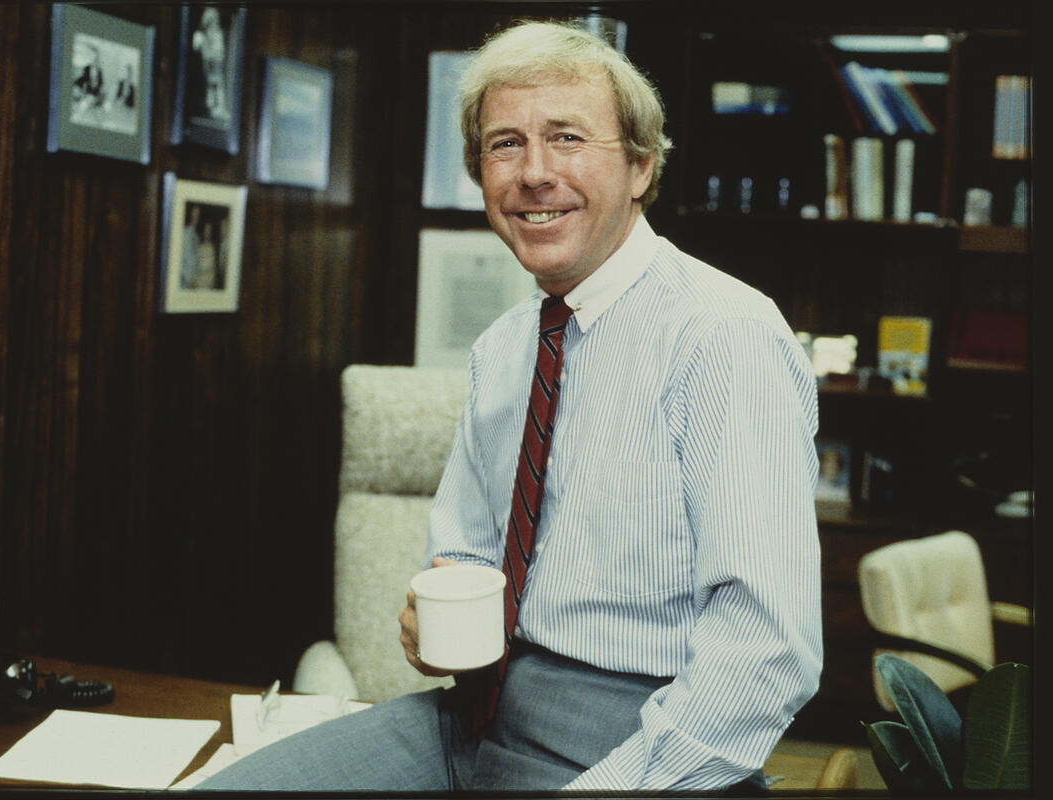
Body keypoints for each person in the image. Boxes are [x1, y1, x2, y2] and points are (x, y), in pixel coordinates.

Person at [199, 18, 821, 793]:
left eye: (566, 138)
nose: (533, 173)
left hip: (640, 734)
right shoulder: (505, 347)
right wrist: (435, 626)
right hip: (471, 715)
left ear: (639, 166)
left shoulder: (724, 336)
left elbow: (768, 651)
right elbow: (466, 552)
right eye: (504, 145)